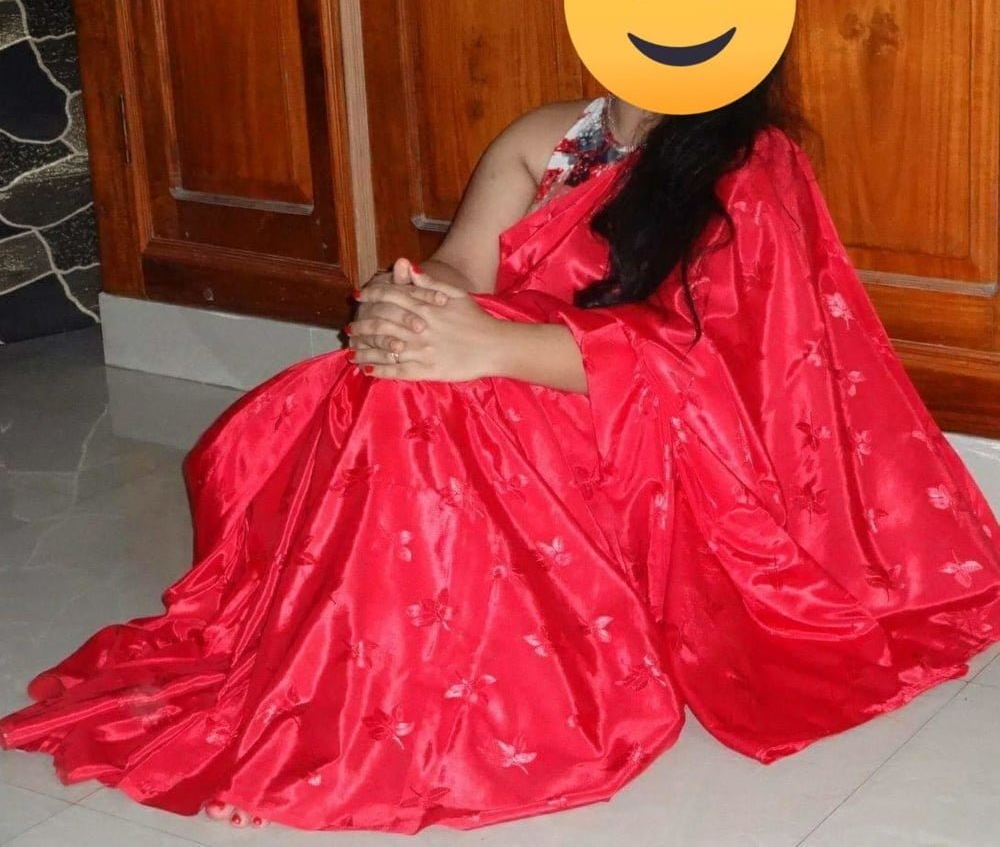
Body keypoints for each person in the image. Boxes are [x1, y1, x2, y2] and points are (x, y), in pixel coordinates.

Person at [2, 61, 1000, 834]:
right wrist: (407, 306)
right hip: (516, 396)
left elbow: (724, 370)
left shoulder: (751, 165)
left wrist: (491, 348)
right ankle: (346, 691)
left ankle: (386, 711)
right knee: (385, 388)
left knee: (432, 398)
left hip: (662, 443)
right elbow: (461, 268)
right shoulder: (545, 136)